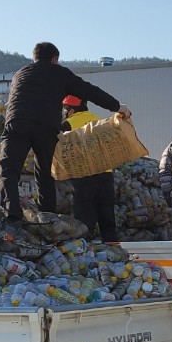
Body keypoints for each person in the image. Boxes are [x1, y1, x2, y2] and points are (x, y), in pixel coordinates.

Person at [0, 42, 129, 221]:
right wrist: (118, 107)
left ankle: (11, 215)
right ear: (54, 59)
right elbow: (90, 91)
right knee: (44, 172)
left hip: (17, 122)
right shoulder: (60, 72)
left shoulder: (20, 74)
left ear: (34, 57)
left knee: (9, 170)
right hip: (45, 125)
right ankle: (47, 216)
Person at [61, 95, 118, 242]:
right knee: (108, 221)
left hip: (85, 177)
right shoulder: (100, 120)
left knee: (85, 222)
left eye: (65, 109)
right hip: (106, 175)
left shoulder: (69, 124)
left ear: (71, 109)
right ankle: (115, 252)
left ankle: (85, 255)